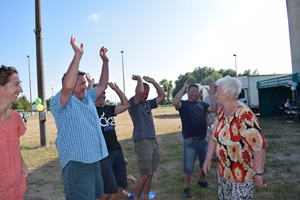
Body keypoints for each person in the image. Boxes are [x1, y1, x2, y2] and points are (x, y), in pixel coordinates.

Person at [50, 35, 109, 200]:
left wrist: (105, 62)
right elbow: (67, 87)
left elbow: (103, 85)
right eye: (81, 83)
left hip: (94, 159)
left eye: (85, 83)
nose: (85, 85)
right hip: (77, 163)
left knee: (95, 196)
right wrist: (78, 55)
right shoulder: (61, 103)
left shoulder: (88, 98)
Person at [203, 76, 267, 200]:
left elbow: (259, 147)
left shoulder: (244, 115)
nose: (215, 94)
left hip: (242, 176)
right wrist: (208, 158)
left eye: (218, 91)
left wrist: (258, 174)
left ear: (227, 93)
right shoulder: (221, 112)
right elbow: (213, 137)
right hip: (223, 173)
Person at [172, 79, 218, 198]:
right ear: (188, 92)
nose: (196, 93)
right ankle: (186, 187)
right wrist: (183, 88)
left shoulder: (202, 104)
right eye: (193, 91)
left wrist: (212, 95)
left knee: (204, 162)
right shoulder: (184, 104)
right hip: (190, 141)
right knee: (188, 165)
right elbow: (175, 102)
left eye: (197, 92)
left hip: (203, 140)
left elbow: (215, 109)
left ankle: (201, 181)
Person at [128, 75, 166, 200]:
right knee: (144, 173)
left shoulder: (148, 104)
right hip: (142, 139)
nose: (145, 95)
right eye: (143, 93)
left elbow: (162, 96)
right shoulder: (133, 103)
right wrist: (139, 79)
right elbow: (139, 92)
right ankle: (137, 197)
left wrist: (154, 81)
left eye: (147, 93)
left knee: (150, 173)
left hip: (152, 139)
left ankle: (145, 196)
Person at [94, 82, 130, 200]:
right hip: (104, 154)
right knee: (107, 191)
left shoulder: (109, 109)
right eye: (101, 93)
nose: (104, 95)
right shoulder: (90, 111)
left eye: (105, 93)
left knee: (119, 187)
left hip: (117, 151)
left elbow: (126, 105)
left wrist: (117, 90)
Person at [0, 65, 29, 199]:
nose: (21, 89)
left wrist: (23, 166)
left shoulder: (16, 118)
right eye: (16, 84)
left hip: (16, 188)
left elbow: (14, 146)